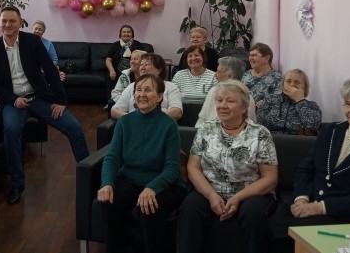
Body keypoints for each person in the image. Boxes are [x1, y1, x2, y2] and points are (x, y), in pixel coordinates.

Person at [0, 5, 89, 205]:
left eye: (12, 21)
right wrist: (13, 99)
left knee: (74, 127)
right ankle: (17, 183)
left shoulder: (32, 41)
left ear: (20, 22)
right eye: (4, 21)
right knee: (11, 131)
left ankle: (89, 174)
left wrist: (60, 100)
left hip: (40, 98)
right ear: (0, 24)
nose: (7, 24)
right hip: (15, 102)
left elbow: (50, 70)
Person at [269, 79, 350, 236]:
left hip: (343, 215)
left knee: (292, 231)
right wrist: (301, 198)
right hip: (309, 202)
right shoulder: (329, 131)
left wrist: (320, 207)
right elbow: (305, 169)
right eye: (347, 104)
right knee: (271, 223)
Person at [177, 80, 278, 253]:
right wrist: (211, 195)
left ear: (243, 107)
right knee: (190, 207)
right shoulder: (206, 129)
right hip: (210, 188)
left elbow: (270, 178)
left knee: (253, 214)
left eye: (230, 101)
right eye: (219, 100)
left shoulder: (260, 133)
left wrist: (238, 198)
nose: (222, 105)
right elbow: (193, 168)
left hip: (250, 192)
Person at [97, 74, 188, 253]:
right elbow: (112, 158)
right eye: (138, 90)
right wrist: (106, 183)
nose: (142, 94)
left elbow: (172, 168)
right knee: (108, 202)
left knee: (149, 207)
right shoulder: (124, 122)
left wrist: (151, 188)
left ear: (160, 97)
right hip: (130, 179)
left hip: (165, 182)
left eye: (148, 90)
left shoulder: (168, 125)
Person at [111, 53, 183, 120]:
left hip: (159, 124)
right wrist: (134, 119)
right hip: (134, 124)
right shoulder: (132, 86)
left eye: (147, 64)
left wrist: (152, 119)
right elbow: (115, 111)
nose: (142, 67)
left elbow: (177, 111)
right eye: (141, 64)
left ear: (159, 70)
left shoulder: (170, 86)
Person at [257, 69, 322, 135]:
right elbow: (259, 126)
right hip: (271, 139)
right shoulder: (269, 100)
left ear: (305, 87)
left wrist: (300, 100)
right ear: (283, 85)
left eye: (297, 82)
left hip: (297, 140)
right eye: (288, 81)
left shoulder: (311, 106)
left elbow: (313, 126)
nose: (292, 85)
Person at [195, 56, 246, 127]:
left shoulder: (246, 97)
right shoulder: (213, 91)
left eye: (218, 71)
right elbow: (202, 119)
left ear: (230, 76)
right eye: (220, 100)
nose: (215, 74)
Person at [241, 42, 282, 108]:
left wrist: (266, 103)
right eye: (250, 55)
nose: (251, 58)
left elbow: (279, 100)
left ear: (266, 58)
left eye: (254, 55)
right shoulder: (245, 75)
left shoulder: (277, 78)